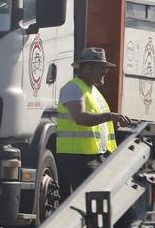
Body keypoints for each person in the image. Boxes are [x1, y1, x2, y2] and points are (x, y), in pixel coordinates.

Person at [56, 48, 133, 197]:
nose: (105, 71)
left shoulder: (92, 90)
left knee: (99, 201)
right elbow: (81, 118)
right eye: (101, 68)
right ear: (86, 68)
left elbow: (99, 124)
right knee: (92, 201)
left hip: (95, 156)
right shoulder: (73, 87)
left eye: (106, 68)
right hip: (79, 158)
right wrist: (110, 116)